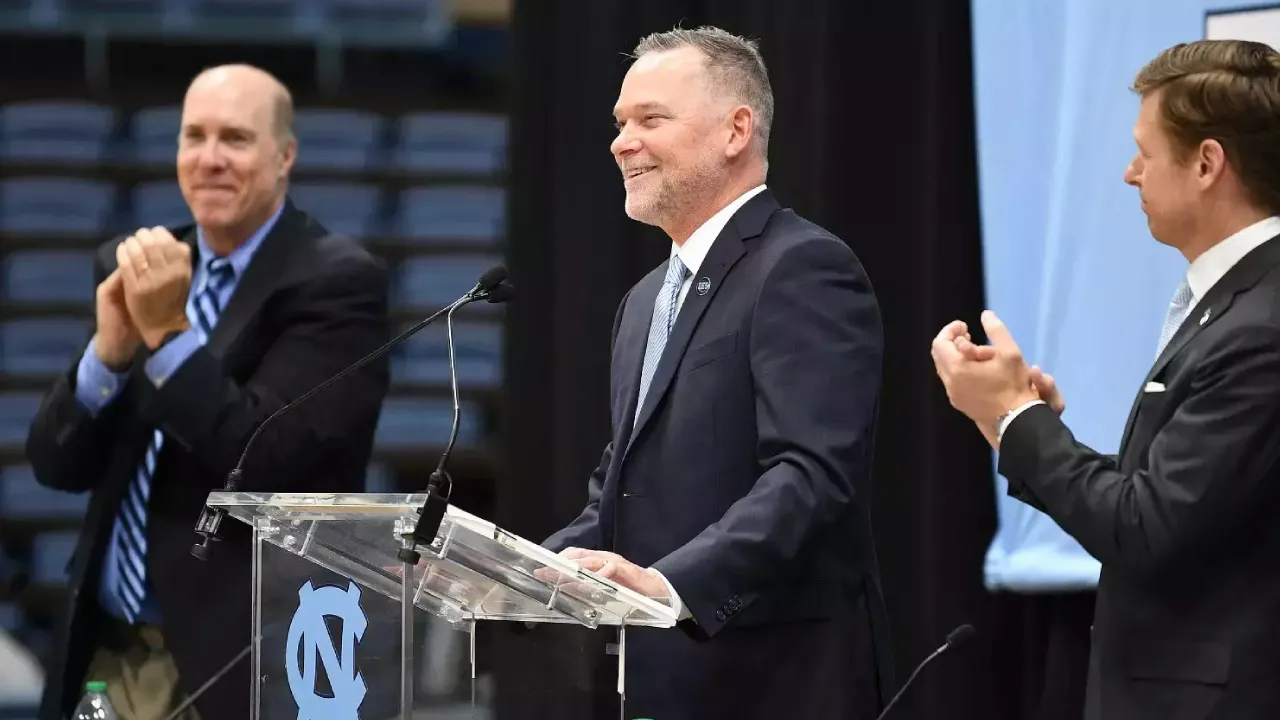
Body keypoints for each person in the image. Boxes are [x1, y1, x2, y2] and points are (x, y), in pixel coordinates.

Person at [542, 26, 894, 719]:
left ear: (736, 130)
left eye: (651, 119)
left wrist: (669, 584)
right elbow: (623, 489)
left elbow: (812, 476)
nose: (621, 142)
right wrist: (523, 567)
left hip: (773, 683)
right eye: (620, 123)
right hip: (655, 683)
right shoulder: (644, 302)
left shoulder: (803, 268)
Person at [25, 64, 390, 720]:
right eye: (194, 137)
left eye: (236, 139)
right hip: (110, 646)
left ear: (285, 157)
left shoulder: (337, 282)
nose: (210, 159)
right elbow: (57, 465)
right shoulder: (140, 264)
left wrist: (165, 332)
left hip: (235, 658)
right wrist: (107, 357)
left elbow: (261, 453)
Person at [931, 39, 1280, 720]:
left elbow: (1146, 529)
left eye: (1145, 154)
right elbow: (1183, 502)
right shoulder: (1238, 303)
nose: (1129, 174)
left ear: (1207, 163)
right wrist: (1014, 419)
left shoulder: (1260, 329)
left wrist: (1015, 415)